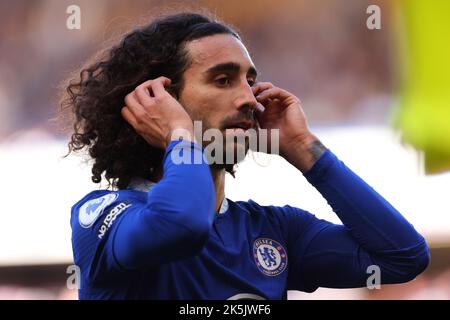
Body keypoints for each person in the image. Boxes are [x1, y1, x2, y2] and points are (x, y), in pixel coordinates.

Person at [62, 12, 430, 300]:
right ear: (159, 99)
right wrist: (180, 135)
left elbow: (402, 257)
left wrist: (305, 150)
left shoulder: (274, 230)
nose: (249, 99)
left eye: (249, 81)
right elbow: (183, 225)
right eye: (223, 80)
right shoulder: (104, 218)